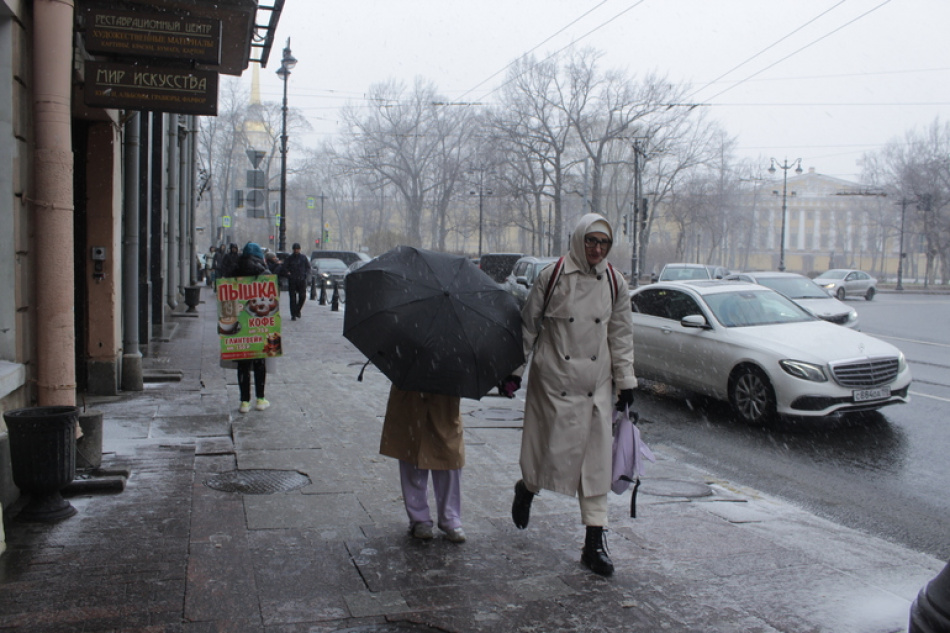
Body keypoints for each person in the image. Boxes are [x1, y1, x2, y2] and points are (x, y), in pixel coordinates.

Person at [503, 213, 636, 577]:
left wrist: (625, 382)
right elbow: (529, 326)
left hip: (596, 386)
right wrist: (514, 373)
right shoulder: (553, 276)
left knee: (596, 467)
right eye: (591, 241)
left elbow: (621, 336)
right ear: (579, 239)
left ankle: (594, 544)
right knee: (548, 453)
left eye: (603, 243)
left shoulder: (614, 281)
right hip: (554, 382)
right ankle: (527, 488)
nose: (596, 249)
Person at [380, 386, 467, 543]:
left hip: (446, 392)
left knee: (449, 455)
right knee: (412, 450)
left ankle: (450, 517)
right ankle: (419, 519)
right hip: (410, 389)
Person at [221, 242, 272, 414]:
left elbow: (226, 297)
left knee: (243, 364)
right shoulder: (264, 273)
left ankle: (244, 402)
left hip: (240, 326)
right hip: (259, 325)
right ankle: (260, 398)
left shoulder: (234, 271)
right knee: (259, 362)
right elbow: (272, 300)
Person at [280, 243, 311, 320]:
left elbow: (308, 268)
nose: (296, 250)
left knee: (302, 297)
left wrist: (305, 275)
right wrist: (288, 273)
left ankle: (297, 310)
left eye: (297, 249)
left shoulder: (303, 258)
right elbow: (284, 267)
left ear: (299, 249)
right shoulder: (290, 258)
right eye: (295, 249)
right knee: (292, 298)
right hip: (292, 280)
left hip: (301, 280)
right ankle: (293, 314)